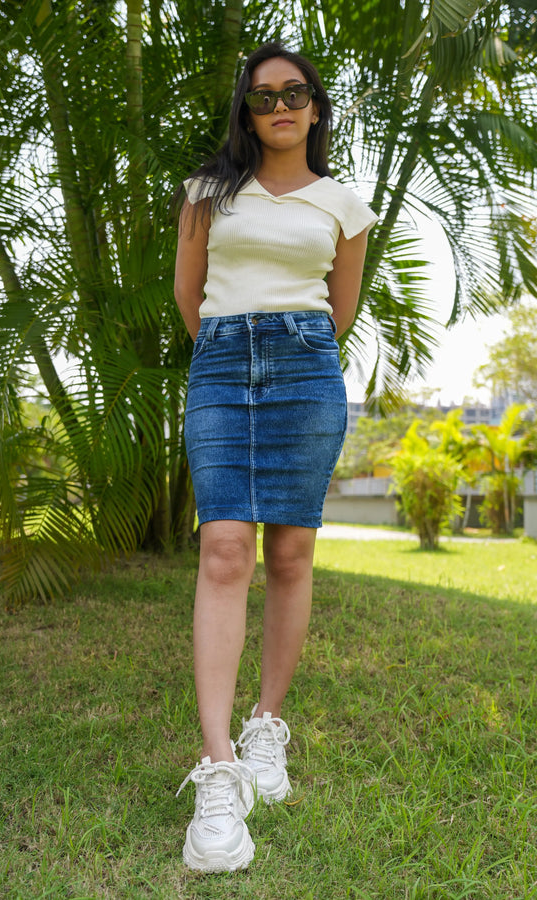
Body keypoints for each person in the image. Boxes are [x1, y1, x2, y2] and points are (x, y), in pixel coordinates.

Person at [173, 41, 378, 872]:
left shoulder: (344, 206)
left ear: (316, 107)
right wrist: (230, 353)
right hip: (221, 367)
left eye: (295, 93)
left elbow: (340, 310)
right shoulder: (207, 194)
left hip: (307, 369)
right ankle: (218, 768)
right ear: (247, 113)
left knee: (290, 553)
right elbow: (188, 294)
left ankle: (265, 728)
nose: (280, 106)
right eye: (263, 97)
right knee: (225, 549)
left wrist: (288, 350)